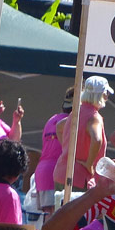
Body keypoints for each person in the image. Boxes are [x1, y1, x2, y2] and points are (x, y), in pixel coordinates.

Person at [53, 76, 112, 194]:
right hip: (79, 178)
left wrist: (67, 149)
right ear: (101, 95)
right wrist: (89, 164)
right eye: (106, 93)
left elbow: (59, 126)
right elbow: (97, 139)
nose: (107, 97)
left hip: (61, 173)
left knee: (61, 211)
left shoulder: (76, 112)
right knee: (79, 212)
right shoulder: (94, 117)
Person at [33, 88, 73, 216]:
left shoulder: (52, 119)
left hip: (42, 171)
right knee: (55, 219)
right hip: (56, 172)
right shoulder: (71, 122)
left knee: (48, 218)